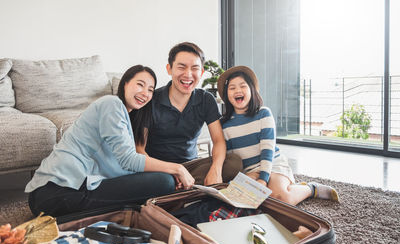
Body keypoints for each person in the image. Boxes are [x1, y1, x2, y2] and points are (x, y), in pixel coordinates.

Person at [25, 65, 195, 217]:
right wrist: (177, 168)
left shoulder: (125, 120)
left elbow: (127, 168)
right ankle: (80, 218)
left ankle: (101, 213)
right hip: (56, 192)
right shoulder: (111, 104)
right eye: (140, 84)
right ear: (125, 83)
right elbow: (128, 160)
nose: (145, 93)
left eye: (151, 89)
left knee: (161, 182)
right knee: (164, 182)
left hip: (65, 192)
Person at [217, 66, 339, 205]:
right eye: (232, 88)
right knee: (240, 201)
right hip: (249, 170)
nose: (238, 90)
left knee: (280, 199)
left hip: (272, 165)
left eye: (243, 86)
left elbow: (267, 150)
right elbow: (231, 158)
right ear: (227, 95)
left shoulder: (263, 113)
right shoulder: (224, 124)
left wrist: (263, 179)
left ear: (252, 90)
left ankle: (310, 188)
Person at [144, 42, 243, 185]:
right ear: (169, 69)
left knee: (234, 163)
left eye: (195, 68)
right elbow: (139, 149)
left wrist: (215, 169)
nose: (188, 74)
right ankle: (183, 190)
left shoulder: (205, 99)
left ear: (202, 72)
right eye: (181, 67)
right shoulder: (152, 99)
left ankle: (182, 189)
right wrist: (172, 170)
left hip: (190, 167)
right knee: (164, 182)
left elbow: (218, 141)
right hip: (159, 169)